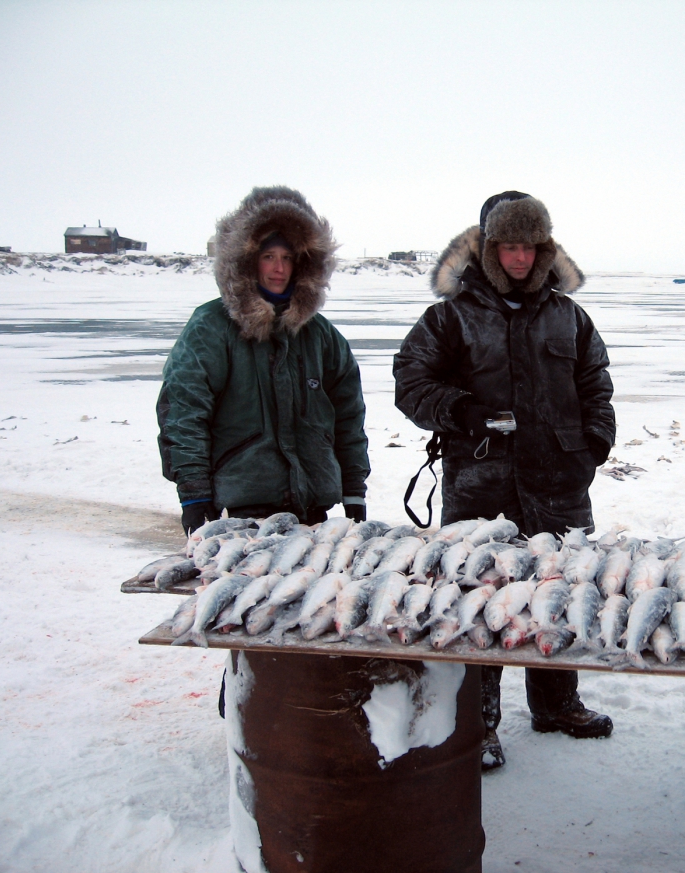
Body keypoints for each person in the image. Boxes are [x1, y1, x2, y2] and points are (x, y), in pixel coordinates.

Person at [393, 191, 616, 770]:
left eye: (530, 247)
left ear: (543, 250)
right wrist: (458, 409)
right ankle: (479, 722)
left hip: (560, 480)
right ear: (492, 249)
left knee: (560, 590)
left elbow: (597, 381)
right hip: (481, 482)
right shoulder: (452, 314)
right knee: (480, 594)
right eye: (509, 246)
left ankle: (556, 703)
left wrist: (594, 443)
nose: (520, 258)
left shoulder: (568, 314)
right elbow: (409, 379)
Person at [157, 185, 370, 534]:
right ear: (246, 260)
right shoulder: (211, 327)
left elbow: (348, 419)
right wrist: (194, 494)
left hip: (314, 511)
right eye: (268, 256)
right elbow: (183, 412)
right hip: (240, 511)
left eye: (287, 258)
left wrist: (354, 491)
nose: (278, 268)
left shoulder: (321, 336)